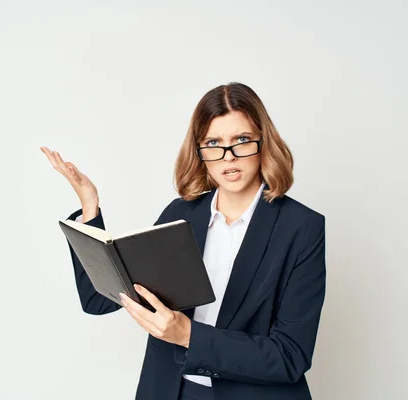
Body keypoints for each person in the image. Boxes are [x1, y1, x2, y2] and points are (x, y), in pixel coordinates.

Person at [41, 82, 326, 400]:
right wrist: (90, 206)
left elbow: (290, 356)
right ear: (200, 151)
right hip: (170, 391)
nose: (228, 157)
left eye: (241, 140)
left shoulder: (302, 228)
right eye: (214, 143)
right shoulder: (181, 215)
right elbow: (98, 300)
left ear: (263, 142)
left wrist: (188, 335)